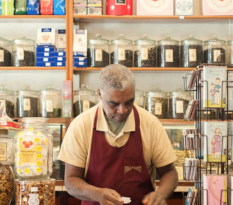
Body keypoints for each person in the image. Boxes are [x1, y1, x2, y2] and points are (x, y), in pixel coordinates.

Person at [58, 64, 178, 205]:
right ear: (99, 94)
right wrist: (97, 194)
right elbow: (71, 180)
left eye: (129, 102)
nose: (122, 110)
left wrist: (160, 194)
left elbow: (170, 173)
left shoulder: (150, 124)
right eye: (114, 104)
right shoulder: (81, 126)